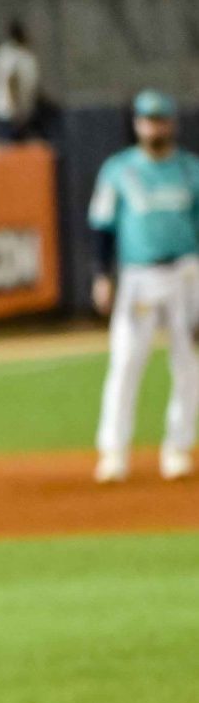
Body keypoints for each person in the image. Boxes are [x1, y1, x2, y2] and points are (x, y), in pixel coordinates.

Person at [89, 89, 199, 483]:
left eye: (162, 119)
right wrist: (102, 274)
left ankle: (178, 448)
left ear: (173, 123)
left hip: (188, 275)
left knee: (190, 367)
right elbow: (102, 226)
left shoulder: (191, 169)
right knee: (126, 362)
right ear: (137, 123)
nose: (155, 126)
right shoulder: (119, 170)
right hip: (138, 277)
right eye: (148, 119)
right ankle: (114, 452)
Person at [0, 20, 40, 142]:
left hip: (20, 113)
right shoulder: (10, 54)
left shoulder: (22, 53)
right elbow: (11, 82)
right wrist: (16, 111)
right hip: (10, 114)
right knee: (10, 151)